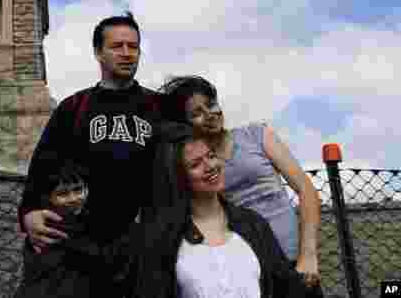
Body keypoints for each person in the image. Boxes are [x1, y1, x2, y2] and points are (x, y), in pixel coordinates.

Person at [57, 124, 308, 298]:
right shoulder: (155, 237)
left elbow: (286, 287)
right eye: (195, 164)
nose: (209, 166)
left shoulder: (252, 224)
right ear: (177, 176)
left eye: (210, 156)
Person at [16, 13, 163, 298]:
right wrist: (28, 213)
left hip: (135, 246)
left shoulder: (158, 107)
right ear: (98, 52)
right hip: (75, 244)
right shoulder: (75, 107)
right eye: (117, 46)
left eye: (133, 47)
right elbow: (43, 166)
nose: (126, 54)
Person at [159, 75, 323, 292]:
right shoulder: (196, 166)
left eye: (211, 105)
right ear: (185, 123)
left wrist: (308, 255)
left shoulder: (255, 135)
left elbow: (306, 189)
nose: (209, 114)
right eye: (197, 113)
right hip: (247, 270)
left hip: (294, 261)